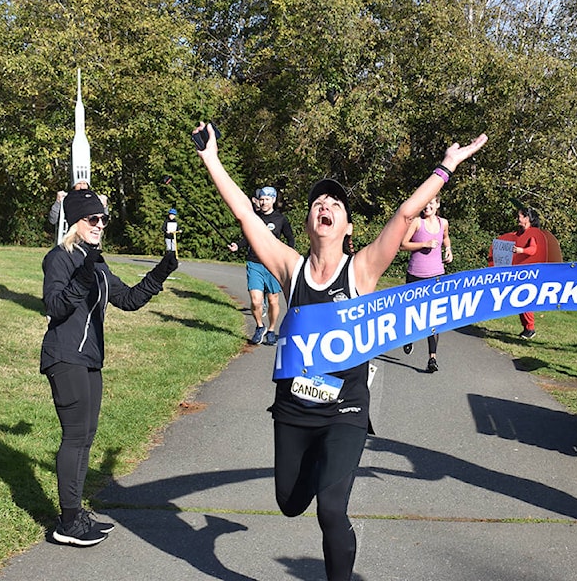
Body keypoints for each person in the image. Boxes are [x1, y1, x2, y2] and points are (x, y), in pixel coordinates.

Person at [194, 121, 487, 581]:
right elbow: (247, 218)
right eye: (317, 203)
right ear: (309, 223)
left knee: (331, 510)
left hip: (345, 408)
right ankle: (313, 465)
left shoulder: (362, 270)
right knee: (289, 503)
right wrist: (211, 157)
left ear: (347, 225)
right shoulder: (290, 268)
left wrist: (447, 166)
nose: (324, 206)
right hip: (293, 408)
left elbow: (407, 213)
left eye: (334, 204)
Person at [40, 189, 179, 547]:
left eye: (103, 219)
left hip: (89, 360)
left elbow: (129, 299)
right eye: (93, 219)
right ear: (75, 222)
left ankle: (75, 512)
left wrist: (163, 269)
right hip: (65, 356)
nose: (100, 224)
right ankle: (68, 523)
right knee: (74, 437)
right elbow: (55, 306)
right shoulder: (60, 258)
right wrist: (83, 278)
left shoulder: (96, 262)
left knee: (86, 437)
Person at [227, 186, 295, 346]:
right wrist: (237, 245)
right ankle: (259, 326)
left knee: (273, 300)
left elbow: (290, 239)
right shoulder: (253, 217)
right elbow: (247, 237)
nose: (264, 202)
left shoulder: (281, 219)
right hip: (254, 262)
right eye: (262, 199)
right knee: (256, 301)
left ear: (273, 200)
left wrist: (288, 255)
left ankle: (271, 330)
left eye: (267, 199)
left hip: (273, 264)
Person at [399, 195, 451, 373]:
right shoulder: (416, 223)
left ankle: (432, 358)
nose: (427, 206)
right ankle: (409, 338)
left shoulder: (443, 223)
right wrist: (424, 244)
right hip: (415, 275)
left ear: (437, 204)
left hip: (436, 275)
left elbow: (445, 238)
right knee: (413, 313)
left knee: (433, 316)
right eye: (425, 203)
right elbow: (403, 245)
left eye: (431, 203)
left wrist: (448, 249)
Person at [512, 206, 541, 339]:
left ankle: (530, 328)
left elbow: (533, 250)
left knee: (524, 299)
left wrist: (521, 251)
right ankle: (526, 328)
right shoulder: (521, 232)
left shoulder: (532, 233)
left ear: (527, 219)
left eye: (520, 216)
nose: (518, 218)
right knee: (519, 300)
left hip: (529, 272)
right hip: (519, 270)